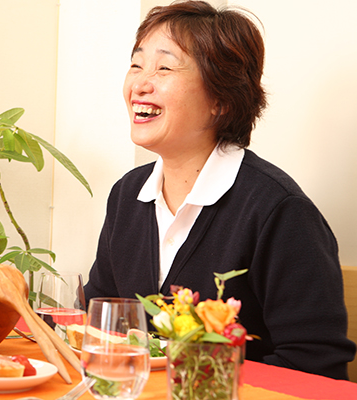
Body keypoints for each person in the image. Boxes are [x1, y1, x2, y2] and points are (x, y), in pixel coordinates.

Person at [83, 0, 355, 380]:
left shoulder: (280, 212)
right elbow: (99, 323)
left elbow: (316, 369)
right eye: (136, 64)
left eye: (164, 67)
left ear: (221, 100)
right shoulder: (127, 195)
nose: (140, 84)